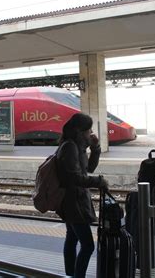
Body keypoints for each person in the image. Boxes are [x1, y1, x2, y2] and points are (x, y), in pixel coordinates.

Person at [55, 112, 109, 278]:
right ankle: (76, 276)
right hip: (73, 201)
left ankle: (70, 274)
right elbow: (75, 178)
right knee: (88, 245)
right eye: (88, 130)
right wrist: (99, 182)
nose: (90, 132)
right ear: (79, 130)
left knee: (72, 238)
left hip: (76, 200)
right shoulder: (70, 147)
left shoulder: (77, 146)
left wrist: (95, 148)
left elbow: (88, 169)